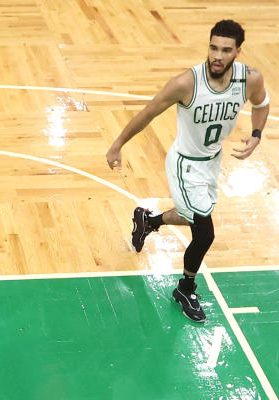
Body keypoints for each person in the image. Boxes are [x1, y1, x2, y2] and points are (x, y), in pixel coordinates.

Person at [106, 19, 269, 323]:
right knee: (204, 232)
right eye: (213, 47)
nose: (217, 55)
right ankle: (185, 287)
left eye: (225, 50)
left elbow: (262, 104)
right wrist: (117, 144)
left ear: (238, 51)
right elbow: (148, 113)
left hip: (212, 161)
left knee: (192, 214)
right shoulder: (186, 83)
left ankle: (148, 221)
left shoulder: (250, 80)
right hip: (184, 164)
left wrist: (256, 135)